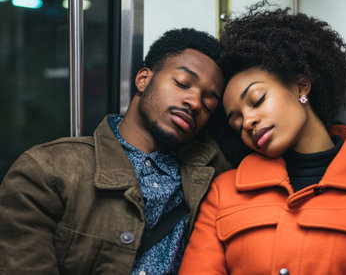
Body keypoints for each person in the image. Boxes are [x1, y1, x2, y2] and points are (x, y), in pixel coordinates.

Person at [179, 3, 346, 274]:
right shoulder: (223, 191)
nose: (249, 122)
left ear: (301, 86)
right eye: (237, 121)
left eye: (257, 100)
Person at [0, 28, 232, 274]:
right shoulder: (48, 170)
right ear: (143, 79)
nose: (195, 103)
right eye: (182, 83)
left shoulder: (213, 179)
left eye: (209, 102)